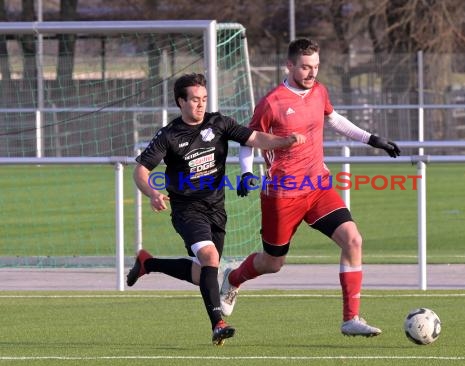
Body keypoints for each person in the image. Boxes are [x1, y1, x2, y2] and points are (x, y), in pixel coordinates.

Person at [220, 38, 401, 337]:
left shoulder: (319, 91)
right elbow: (249, 141)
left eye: (315, 66)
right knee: (273, 263)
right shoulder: (271, 102)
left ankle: (350, 318)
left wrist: (372, 139)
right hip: (283, 194)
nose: (311, 73)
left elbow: (335, 120)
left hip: (318, 186)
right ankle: (234, 279)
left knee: (353, 240)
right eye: (305, 67)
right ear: (289, 65)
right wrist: (245, 173)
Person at [127, 73, 305, 346]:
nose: (200, 105)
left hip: (216, 209)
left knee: (203, 273)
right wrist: (152, 192)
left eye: (204, 99)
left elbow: (254, 138)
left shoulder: (218, 123)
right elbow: (140, 170)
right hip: (187, 209)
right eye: (195, 100)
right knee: (210, 257)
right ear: (180, 102)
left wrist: (286, 141)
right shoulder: (169, 135)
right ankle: (218, 323)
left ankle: (148, 263)